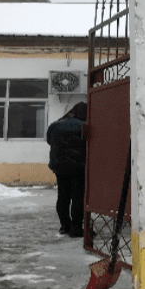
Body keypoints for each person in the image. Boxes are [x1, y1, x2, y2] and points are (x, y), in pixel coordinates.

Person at [46, 101, 87, 237]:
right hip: (78, 167)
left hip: (60, 167)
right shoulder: (84, 126)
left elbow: (49, 141)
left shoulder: (55, 125)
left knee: (63, 196)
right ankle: (76, 227)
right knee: (77, 197)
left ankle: (65, 225)